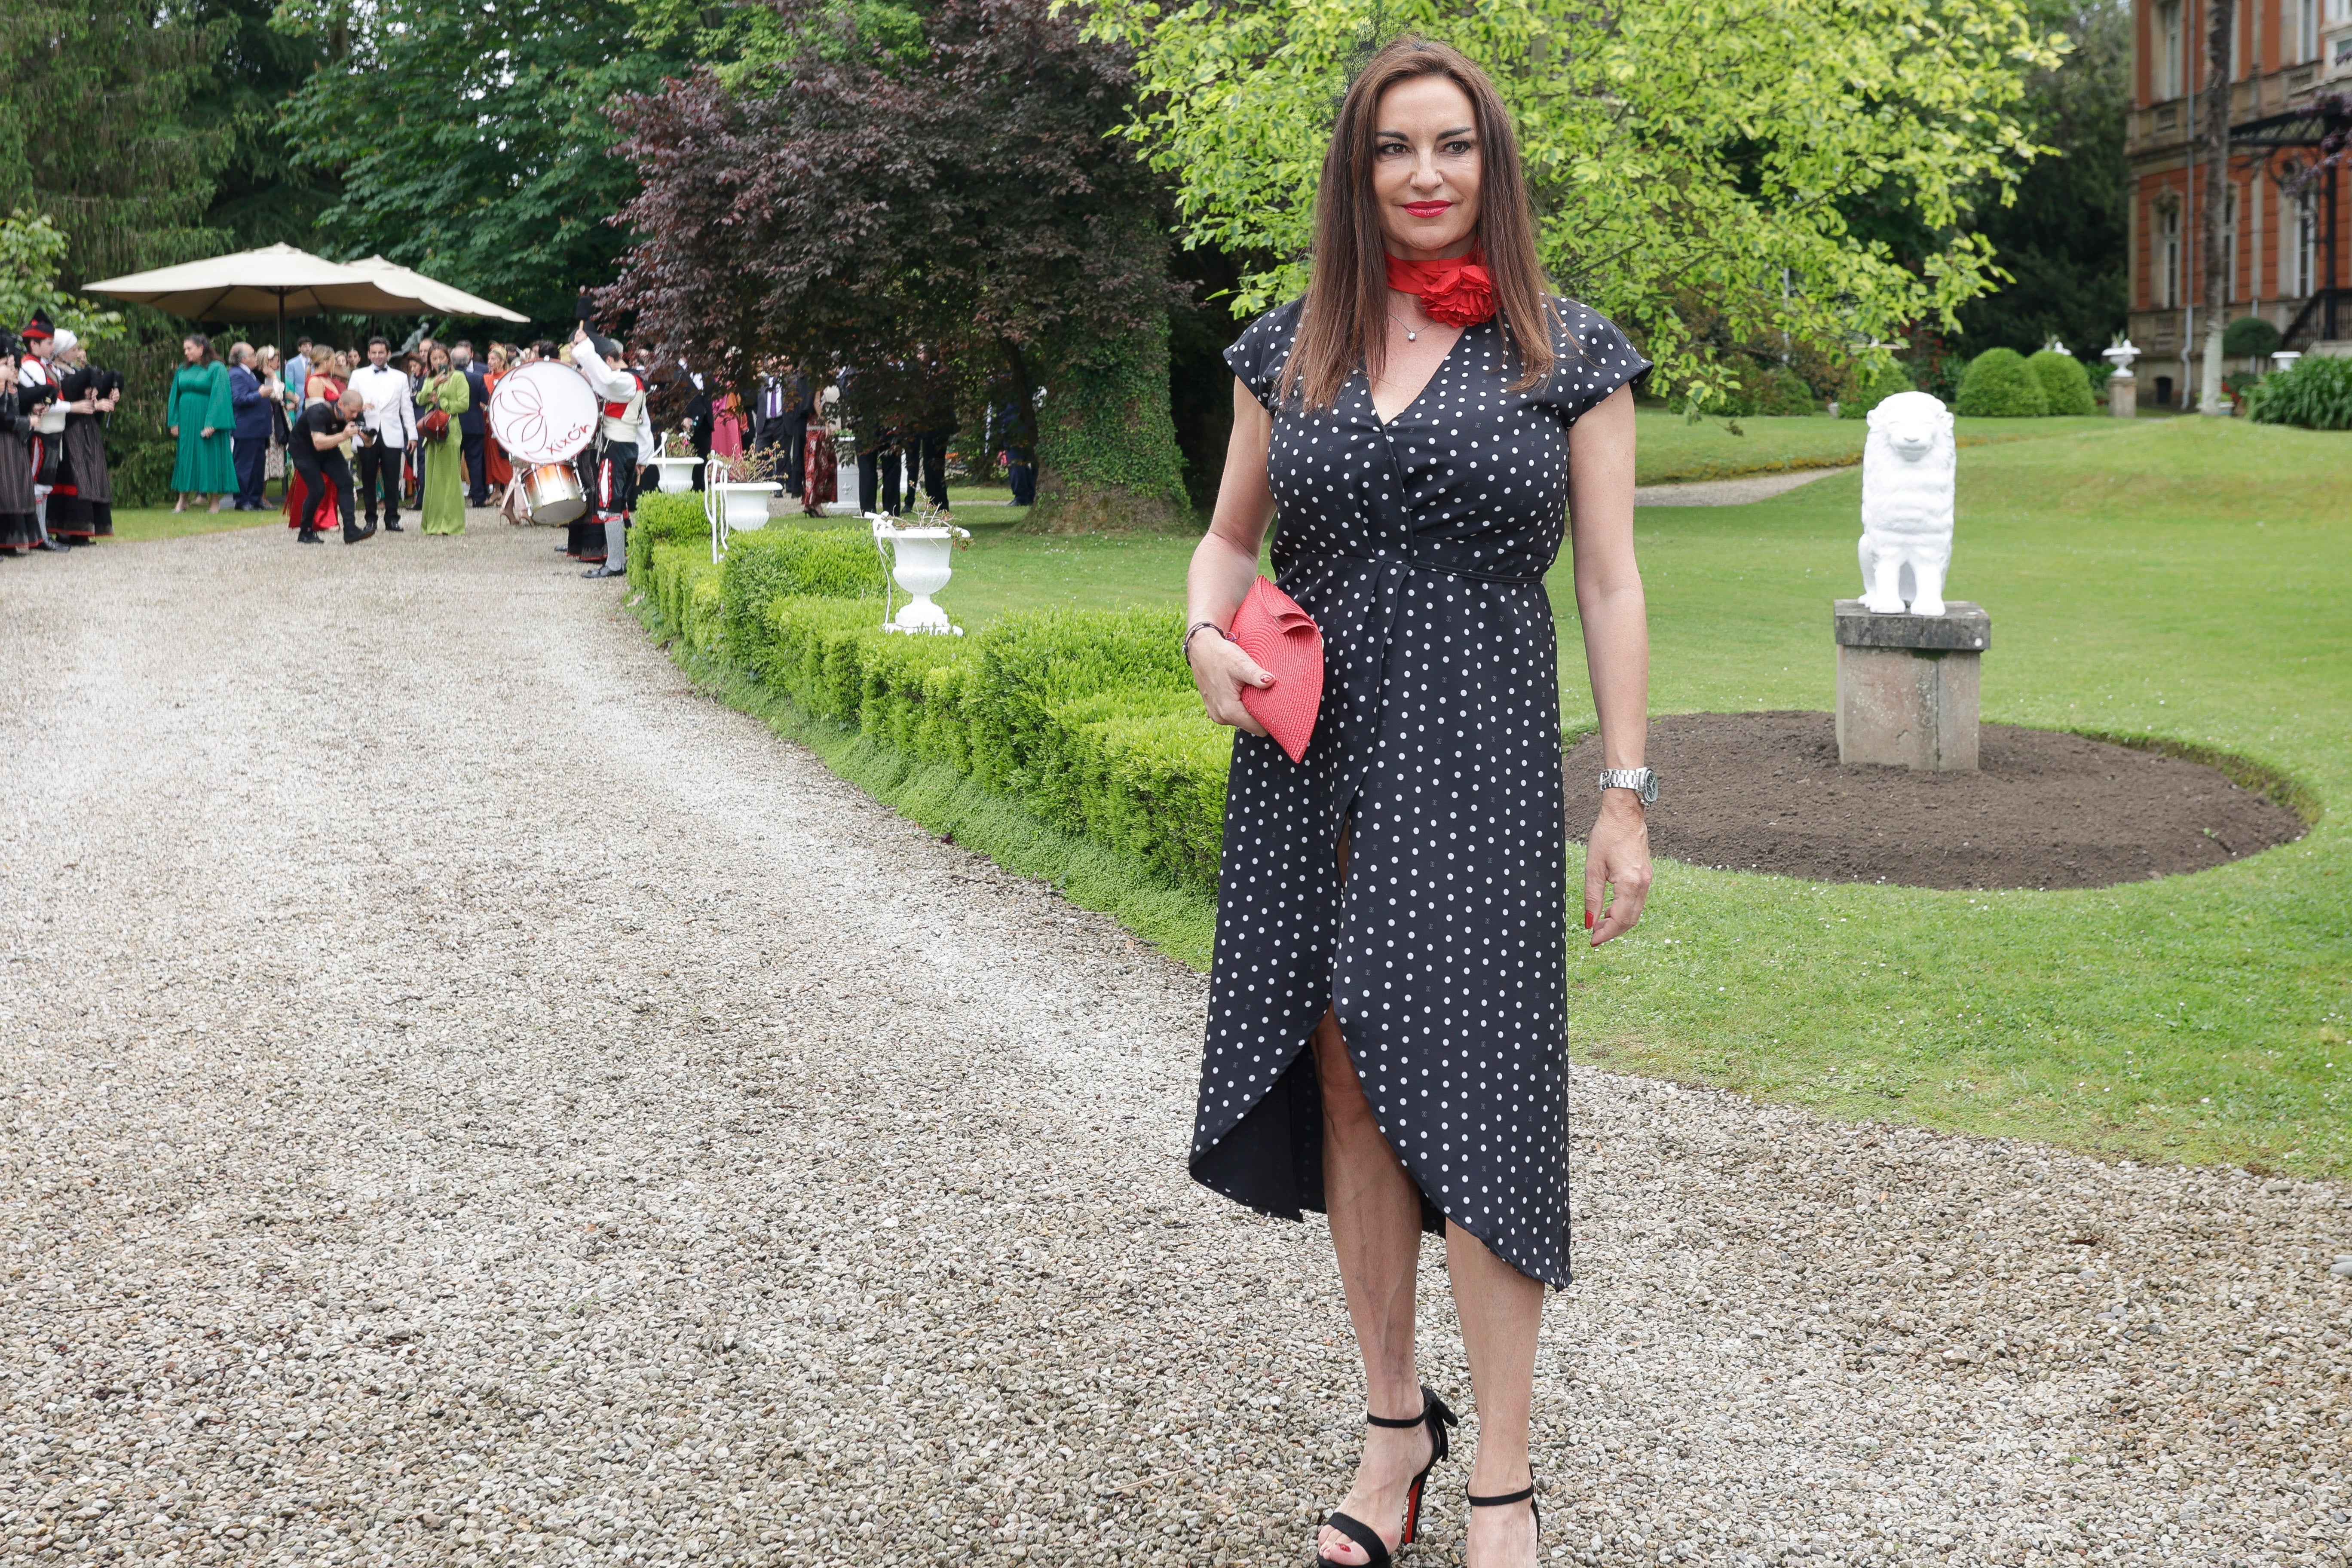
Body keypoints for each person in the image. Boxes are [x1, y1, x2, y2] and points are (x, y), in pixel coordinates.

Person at [1180, 40, 1653, 1568]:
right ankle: (1395, 1424)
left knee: (1484, 1088)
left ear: (1491, 166)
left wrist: (1626, 791)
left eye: (1453, 146)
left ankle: (1500, 1479)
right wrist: (1205, 634)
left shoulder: (1566, 349)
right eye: (1396, 148)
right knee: (1346, 1083)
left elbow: (1606, 577)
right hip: (1306, 757)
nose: (1428, 174)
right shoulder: (1287, 345)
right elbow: (1224, 543)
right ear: (1358, 169)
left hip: (1479, 755)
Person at [568, 325, 645, 578]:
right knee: (613, 504)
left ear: (610, 360)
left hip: (618, 449)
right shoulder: (628, 381)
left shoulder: (624, 380)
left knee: (609, 505)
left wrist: (586, 347)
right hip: (622, 447)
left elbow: (605, 380)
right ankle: (618, 560)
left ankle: (615, 563)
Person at [51, 333, 118, 539]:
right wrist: (93, 403)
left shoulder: (75, 370)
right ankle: (66, 529)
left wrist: (112, 393)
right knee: (74, 476)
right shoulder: (54, 372)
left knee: (90, 478)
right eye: (73, 349)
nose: (78, 353)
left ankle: (84, 530)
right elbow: (66, 398)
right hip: (70, 431)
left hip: (86, 431)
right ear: (61, 352)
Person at [349, 336, 416, 532]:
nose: (378, 356)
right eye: (374, 353)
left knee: (392, 477)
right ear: (368, 354)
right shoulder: (358, 376)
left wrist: (412, 434)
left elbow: (407, 408)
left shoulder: (400, 377)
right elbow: (348, 403)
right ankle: (371, 519)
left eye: (381, 352)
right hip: (367, 433)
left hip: (392, 432)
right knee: (368, 478)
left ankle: (392, 518)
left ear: (388, 354)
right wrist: (360, 407)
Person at [289, 383, 371, 545]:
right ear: (340, 404)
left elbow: (368, 445)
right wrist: (343, 435)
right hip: (304, 450)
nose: (355, 416)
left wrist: (367, 437)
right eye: (352, 412)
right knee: (318, 489)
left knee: (347, 483)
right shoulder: (319, 412)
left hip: (329, 449)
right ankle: (305, 532)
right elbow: (319, 443)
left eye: (358, 412)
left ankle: (350, 530)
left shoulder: (356, 415)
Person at [165, 332, 236, 514]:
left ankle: (214, 502)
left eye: (189, 349)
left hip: (206, 419)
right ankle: (183, 501)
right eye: (185, 349)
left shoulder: (216, 368)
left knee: (209, 457)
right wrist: (174, 421)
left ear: (201, 348)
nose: (186, 353)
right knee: (186, 457)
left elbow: (220, 395)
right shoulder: (183, 369)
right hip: (187, 421)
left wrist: (212, 422)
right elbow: (175, 395)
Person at [283, 358, 347, 536]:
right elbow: (316, 411)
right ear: (326, 360)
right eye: (333, 358)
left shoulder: (331, 379)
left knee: (338, 480)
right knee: (319, 485)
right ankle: (316, 522)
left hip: (330, 433)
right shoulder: (315, 381)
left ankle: (330, 519)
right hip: (317, 435)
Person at [418, 346, 471, 535]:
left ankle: (452, 524)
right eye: (434, 358)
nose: (438, 361)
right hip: (431, 433)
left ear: (448, 359)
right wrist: (433, 387)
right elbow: (419, 399)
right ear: (430, 361)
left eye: (442, 357)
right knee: (433, 479)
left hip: (450, 431)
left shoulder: (458, 378)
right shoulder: (430, 378)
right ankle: (433, 524)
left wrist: (443, 404)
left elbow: (464, 404)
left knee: (450, 479)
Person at [0, 331, 38, 555]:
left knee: (14, 488)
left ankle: (10, 541)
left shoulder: (9, 385)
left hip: (12, 443)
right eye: (7, 364)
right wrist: (25, 422)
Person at [225, 343, 273, 511]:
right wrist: (260, 394)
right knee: (245, 466)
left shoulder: (250, 374)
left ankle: (255, 497)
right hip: (246, 428)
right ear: (244, 359)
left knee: (258, 467)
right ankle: (243, 500)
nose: (256, 358)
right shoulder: (236, 374)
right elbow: (238, 399)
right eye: (253, 354)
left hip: (258, 428)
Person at [449, 341, 490, 507]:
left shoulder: (448, 378)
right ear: (468, 361)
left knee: (453, 463)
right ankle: (478, 498)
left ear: (451, 362)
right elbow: (485, 400)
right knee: (475, 462)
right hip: (474, 425)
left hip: (453, 424)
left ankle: (452, 498)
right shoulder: (477, 377)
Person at [481, 344, 514, 493]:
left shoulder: (508, 377)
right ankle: (495, 491)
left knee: (503, 458)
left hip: (503, 424)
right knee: (490, 458)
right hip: (487, 424)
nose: (490, 362)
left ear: (502, 362)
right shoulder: (485, 378)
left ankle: (507, 489)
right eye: (489, 359)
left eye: (493, 359)